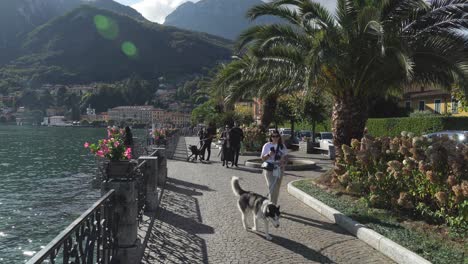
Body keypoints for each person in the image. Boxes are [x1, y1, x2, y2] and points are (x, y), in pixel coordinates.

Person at [260, 130, 288, 204]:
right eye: (273, 136)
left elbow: (286, 157)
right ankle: (272, 205)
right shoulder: (267, 145)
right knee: (272, 187)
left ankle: (273, 204)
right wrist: (269, 154)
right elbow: (262, 158)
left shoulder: (282, 146)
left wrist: (283, 162)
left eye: (277, 136)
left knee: (277, 187)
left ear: (279, 137)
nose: (275, 138)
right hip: (269, 168)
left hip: (279, 168)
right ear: (271, 137)